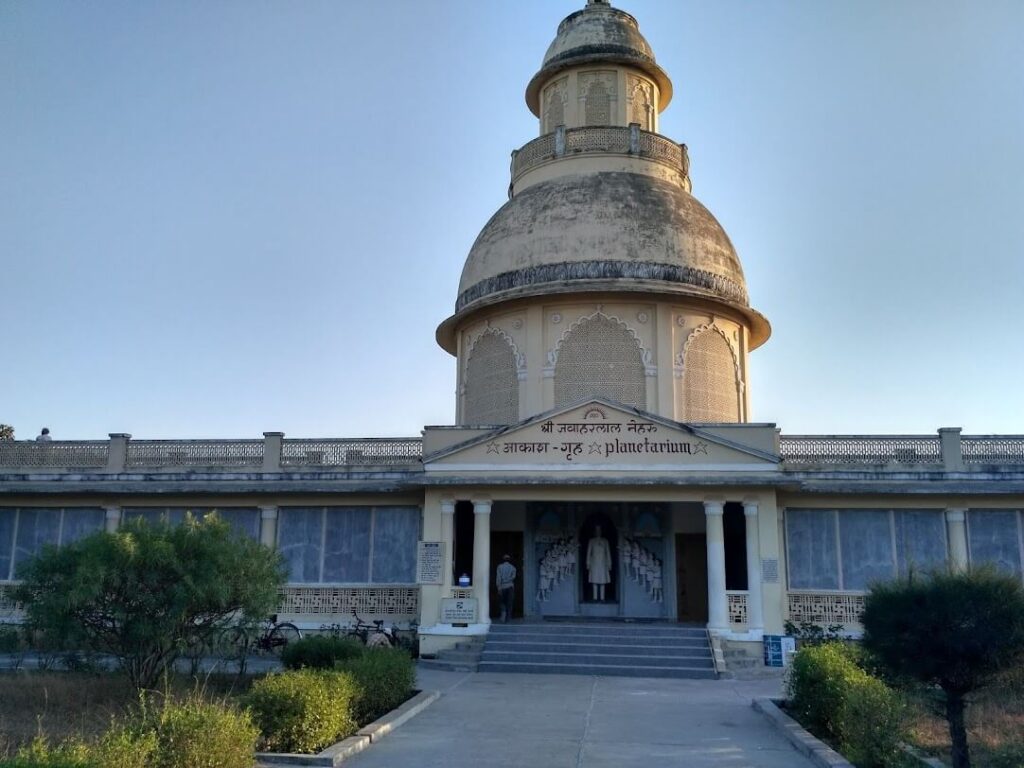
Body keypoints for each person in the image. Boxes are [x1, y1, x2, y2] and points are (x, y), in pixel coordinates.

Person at [587, 525, 612, 601]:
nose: (598, 532)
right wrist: (587, 563)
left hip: (603, 563)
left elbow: (608, 553)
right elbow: (589, 553)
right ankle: (594, 597)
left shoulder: (605, 541)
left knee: (602, 581)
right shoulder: (591, 541)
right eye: (596, 530)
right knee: (594, 581)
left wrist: (609, 563)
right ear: (594, 532)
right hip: (594, 563)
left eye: (599, 530)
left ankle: (602, 598)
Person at [495, 554, 517, 622]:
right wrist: (508, 580)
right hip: (510, 586)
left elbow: (498, 578)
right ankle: (508, 618)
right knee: (509, 603)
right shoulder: (513, 567)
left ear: (503, 559)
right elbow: (513, 577)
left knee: (502, 602)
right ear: (509, 560)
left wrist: (499, 587)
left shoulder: (499, 567)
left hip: (502, 587)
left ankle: (503, 616)